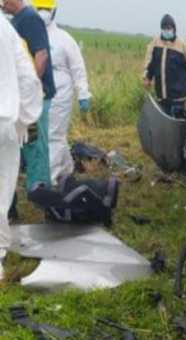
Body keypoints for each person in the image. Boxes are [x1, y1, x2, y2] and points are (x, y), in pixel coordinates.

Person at [0, 16, 43, 281]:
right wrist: (24, 119)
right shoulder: (5, 28)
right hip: (6, 121)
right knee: (2, 191)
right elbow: (29, 78)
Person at [35, 0, 90, 185]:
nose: (43, 12)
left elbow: (78, 68)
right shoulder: (31, 35)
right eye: (39, 8)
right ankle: (67, 168)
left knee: (54, 135)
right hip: (38, 94)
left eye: (46, 9)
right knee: (50, 135)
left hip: (60, 94)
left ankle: (50, 180)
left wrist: (83, 93)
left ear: (54, 11)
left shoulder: (64, 39)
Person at [4, 0, 55, 192]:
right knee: (27, 143)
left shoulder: (30, 19)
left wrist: (31, 89)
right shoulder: (17, 20)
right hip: (24, 96)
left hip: (37, 96)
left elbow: (41, 56)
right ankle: (34, 187)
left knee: (35, 145)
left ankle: (42, 192)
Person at [142, 14, 186, 117]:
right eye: (164, 28)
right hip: (162, 94)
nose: (166, 30)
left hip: (178, 96)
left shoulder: (181, 44)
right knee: (164, 121)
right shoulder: (156, 42)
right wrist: (147, 77)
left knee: (177, 122)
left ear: (174, 29)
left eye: (169, 28)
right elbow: (151, 63)